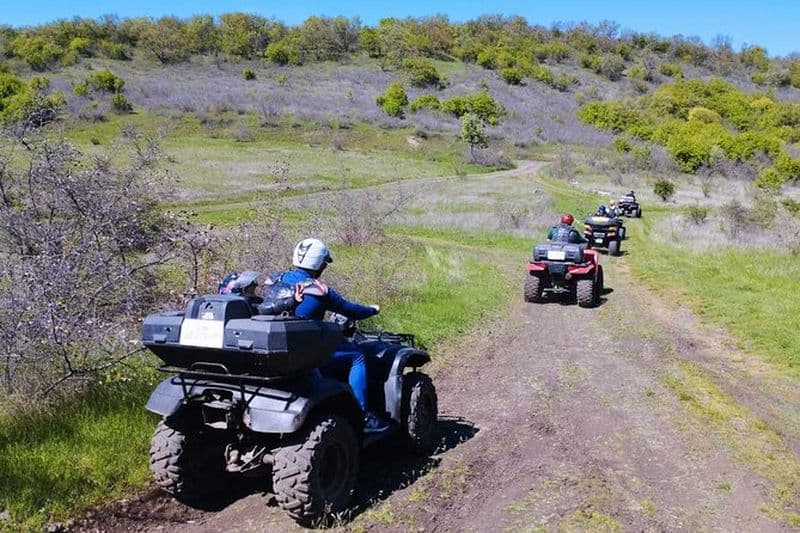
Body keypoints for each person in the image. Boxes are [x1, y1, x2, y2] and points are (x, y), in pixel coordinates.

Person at [280, 238, 388, 432]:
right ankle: (363, 416)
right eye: (324, 263)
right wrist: (373, 309)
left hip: (281, 347)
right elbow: (352, 310)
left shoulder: (279, 279)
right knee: (357, 356)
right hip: (306, 351)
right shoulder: (319, 290)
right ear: (319, 264)